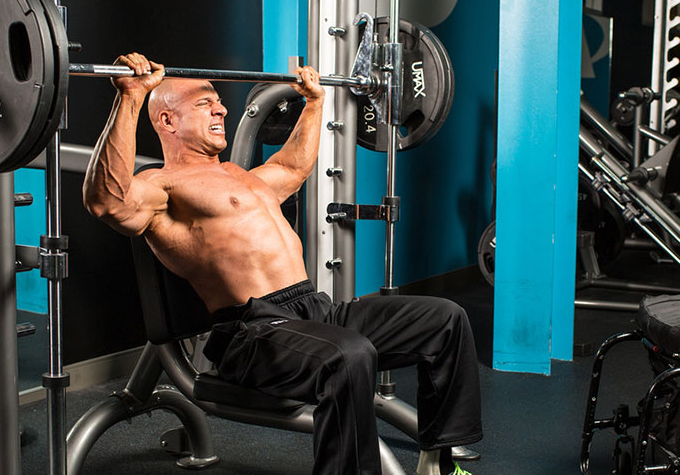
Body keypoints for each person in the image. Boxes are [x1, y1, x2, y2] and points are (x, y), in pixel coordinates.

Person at [83, 52, 482, 475]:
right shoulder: (159, 186)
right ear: (167, 122)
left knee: (446, 319)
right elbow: (107, 203)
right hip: (253, 330)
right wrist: (128, 99)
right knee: (348, 355)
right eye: (204, 104)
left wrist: (313, 103)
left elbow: (293, 166)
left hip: (316, 310)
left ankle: (437, 463)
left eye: (218, 100)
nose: (221, 108)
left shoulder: (244, 176)